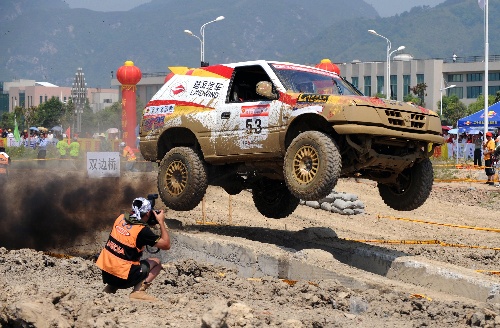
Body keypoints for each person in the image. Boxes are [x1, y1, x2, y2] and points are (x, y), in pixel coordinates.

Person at [96, 197, 170, 301]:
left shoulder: (120, 218)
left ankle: (110, 289)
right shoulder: (142, 231)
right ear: (148, 213)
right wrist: (161, 222)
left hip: (107, 274)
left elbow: (131, 229)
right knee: (156, 263)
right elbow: (166, 245)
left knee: (120, 256)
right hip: (123, 279)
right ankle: (138, 291)